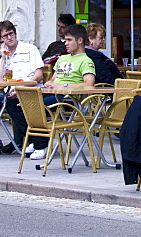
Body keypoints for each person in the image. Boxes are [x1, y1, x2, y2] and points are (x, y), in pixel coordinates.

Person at [29, 23, 96, 160]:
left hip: (69, 99)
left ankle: (41, 145)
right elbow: (54, 79)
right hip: (53, 94)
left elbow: (89, 85)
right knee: (23, 102)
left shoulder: (86, 60)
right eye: (65, 40)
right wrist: (49, 83)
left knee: (34, 105)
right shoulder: (62, 58)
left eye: (69, 40)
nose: (65, 43)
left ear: (80, 40)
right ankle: (34, 140)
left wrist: (63, 84)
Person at [0, 20, 44, 155]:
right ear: (0, 39)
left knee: (12, 103)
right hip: (8, 93)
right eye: (5, 36)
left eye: (11, 33)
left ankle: (29, 140)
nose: (10, 37)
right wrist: (3, 59)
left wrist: (20, 88)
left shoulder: (29, 49)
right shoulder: (6, 55)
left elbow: (39, 75)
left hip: (28, 92)